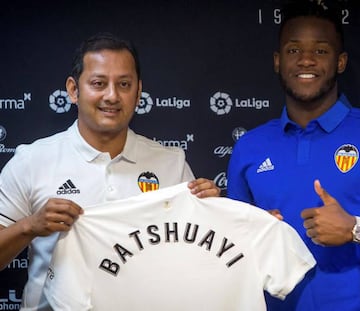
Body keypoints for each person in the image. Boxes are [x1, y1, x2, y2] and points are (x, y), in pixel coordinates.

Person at [0, 32, 220, 310]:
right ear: (73, 90)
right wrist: (29, 226)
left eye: (124, 84)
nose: (112, 96)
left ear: (139, 91)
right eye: (98, 83)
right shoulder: (32, 160)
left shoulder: (171, 163)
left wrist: (216, 217)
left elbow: (200, 256)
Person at [227, 1, 360, 310]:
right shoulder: (249, 146)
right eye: (293, 50)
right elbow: (231, 252)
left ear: (340, 62)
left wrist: (356, 228)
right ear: (277, 61)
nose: (306, 60)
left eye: (321, 51)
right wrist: (255, 236)